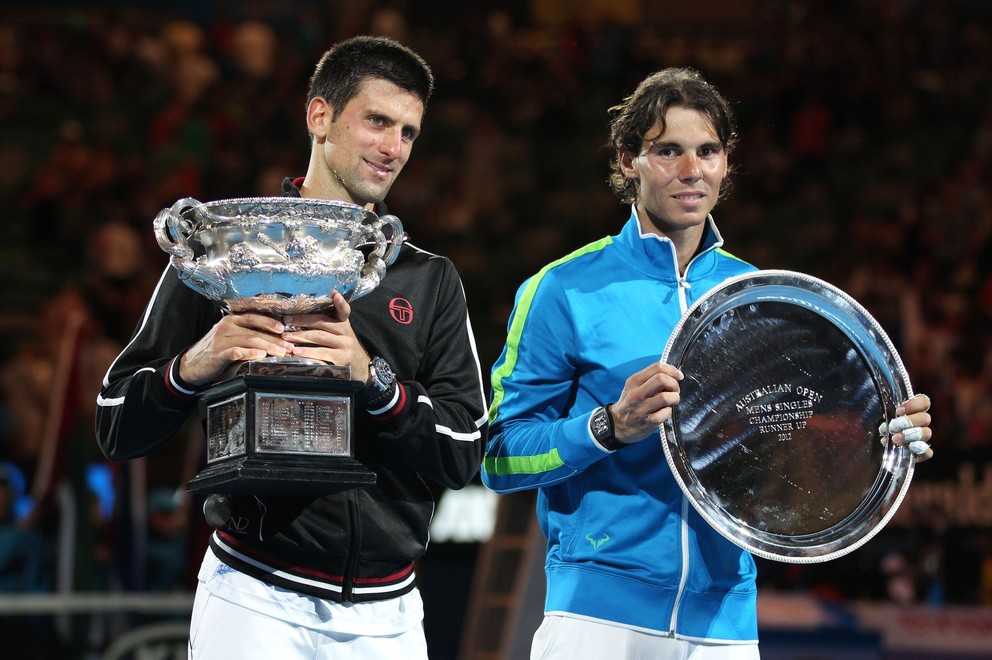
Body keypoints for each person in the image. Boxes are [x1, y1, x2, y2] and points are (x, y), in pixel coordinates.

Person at [480, 67, 934, 659]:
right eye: (667, 151)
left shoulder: (755, 293)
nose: (691, 170)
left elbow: (785, 435)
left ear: (726, 162)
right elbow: (499, 457)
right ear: (627, 162)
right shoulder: (563, 290)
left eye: (707, 151)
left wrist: (876, 435)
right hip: (596, 616)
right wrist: (608, 427)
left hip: (725, 625)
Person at [96, 35, 488, 659]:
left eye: (409, 133)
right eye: (378, 122)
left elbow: (465, 452)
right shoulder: (227, 253)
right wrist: (192, 367)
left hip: (388, 615)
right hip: (254, 596)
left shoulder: (428, 279)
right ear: (320, 116)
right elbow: (115, 425)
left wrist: (374, 380)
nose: (393, 148)